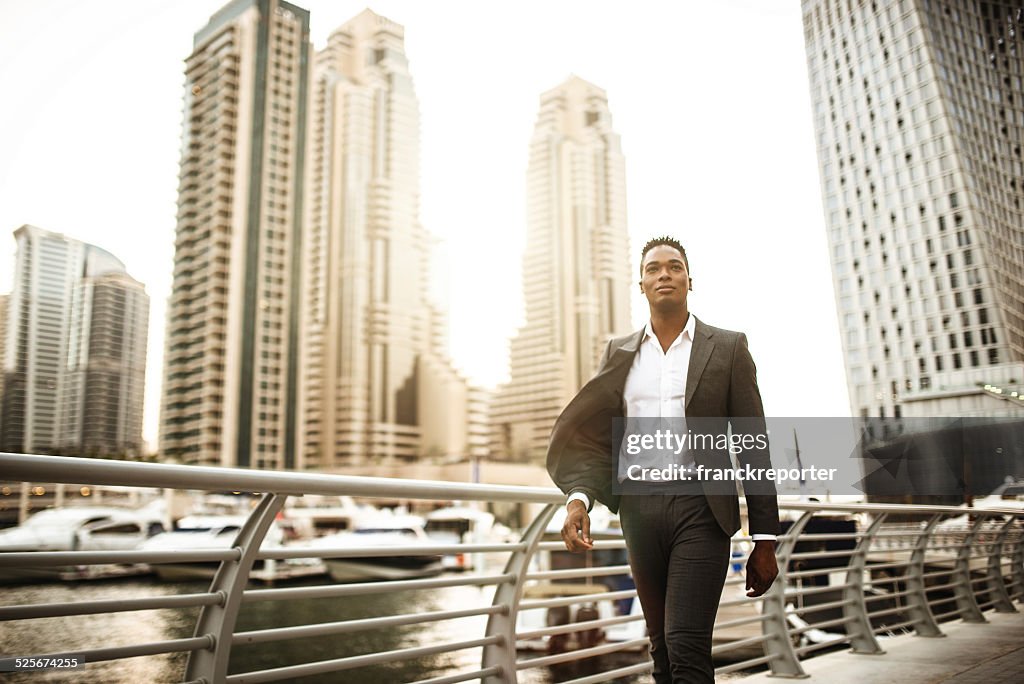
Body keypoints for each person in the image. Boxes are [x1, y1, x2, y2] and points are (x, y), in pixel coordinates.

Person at [547, 236, 780, 683]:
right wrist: (579, 499)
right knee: (661, 648)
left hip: (702, 510)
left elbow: (753, 443)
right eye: (653, 269)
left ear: (690, 280)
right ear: (641, 284)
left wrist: (765, 539)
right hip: (639, 510)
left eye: (674, 267)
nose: (664, 275)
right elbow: (597, 438)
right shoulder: (619, 352)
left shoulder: (729, 348)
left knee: (687, 646)